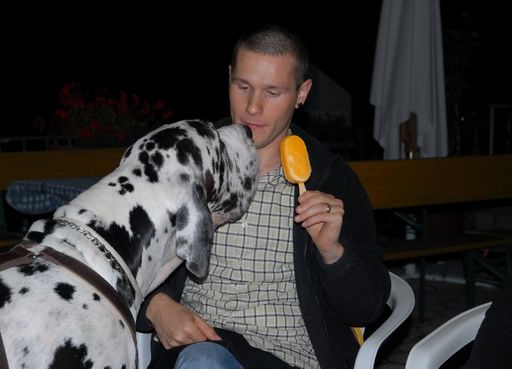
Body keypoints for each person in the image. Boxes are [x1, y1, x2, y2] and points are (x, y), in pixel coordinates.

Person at [136, 24, 391, 369]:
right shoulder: (185, 162)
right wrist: (155, 305)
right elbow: (125, 259)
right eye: (243, 86)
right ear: (229, 77)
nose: (253, 107)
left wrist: (334, 254)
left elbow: (366, 308)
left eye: (272, 92)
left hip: (290, 358)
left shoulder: (331, 180)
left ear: (302, 93)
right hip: (197, 349)